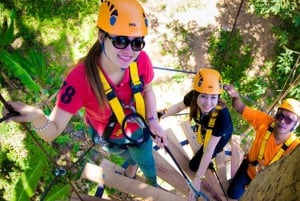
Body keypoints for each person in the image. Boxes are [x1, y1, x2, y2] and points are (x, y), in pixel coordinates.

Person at [3, 0, 167, 187]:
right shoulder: (80, 80)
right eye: (120, 41)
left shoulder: (141, 60)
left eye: (137, 42)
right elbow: (53, 130)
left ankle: (152, 184)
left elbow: (148, 89)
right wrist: (37, 117)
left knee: (145, 158)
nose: (129, 51)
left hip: (138, 130)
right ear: (101, 36)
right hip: (110, 137)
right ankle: (134, 166)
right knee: (131, 155)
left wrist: (153, 120)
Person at [161, 68, 233, 200]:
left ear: (218, 96)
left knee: (194, 166)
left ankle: (207, 164)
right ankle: (205, 162)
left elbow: (209, 148)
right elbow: (178, 107)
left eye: (213, 97)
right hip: (207, 128)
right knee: (202, 149)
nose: (208, 103)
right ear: (197, 94)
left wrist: (198, 178)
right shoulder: (192, 97)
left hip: (221, 135)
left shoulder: (222, 117)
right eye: (204, 96)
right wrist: (160, 116)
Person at [224, 84, 300, 200]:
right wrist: (235, 95)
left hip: (267, 184)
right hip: (248, 170)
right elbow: (240, 108)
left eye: (289, 119)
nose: (282, 121)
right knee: (232, 194)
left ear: (295, 125)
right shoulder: (264, 121)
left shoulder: (294, 146)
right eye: (280, 115)